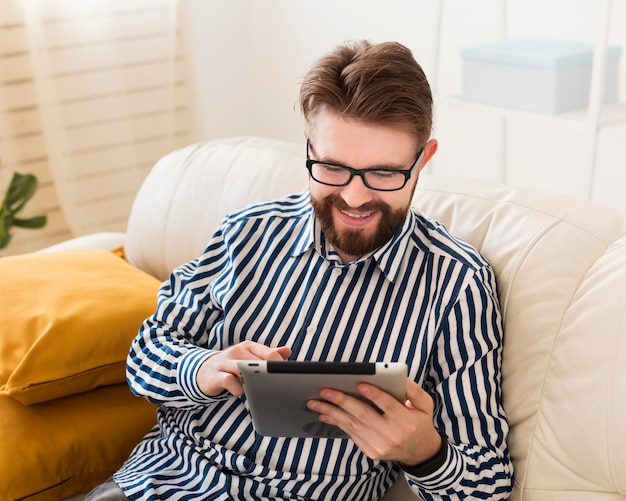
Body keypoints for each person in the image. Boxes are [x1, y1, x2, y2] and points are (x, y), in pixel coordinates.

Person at [87, 40, 513, 500]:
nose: (353, 198)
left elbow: (488, 484)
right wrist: (204, 366)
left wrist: (425, 453)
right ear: (309, 148)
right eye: (332, 167)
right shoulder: (246, 232)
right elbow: (145, 355)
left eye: (384, 174)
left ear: (422, 161)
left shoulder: (457, 284)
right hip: (159, 485)